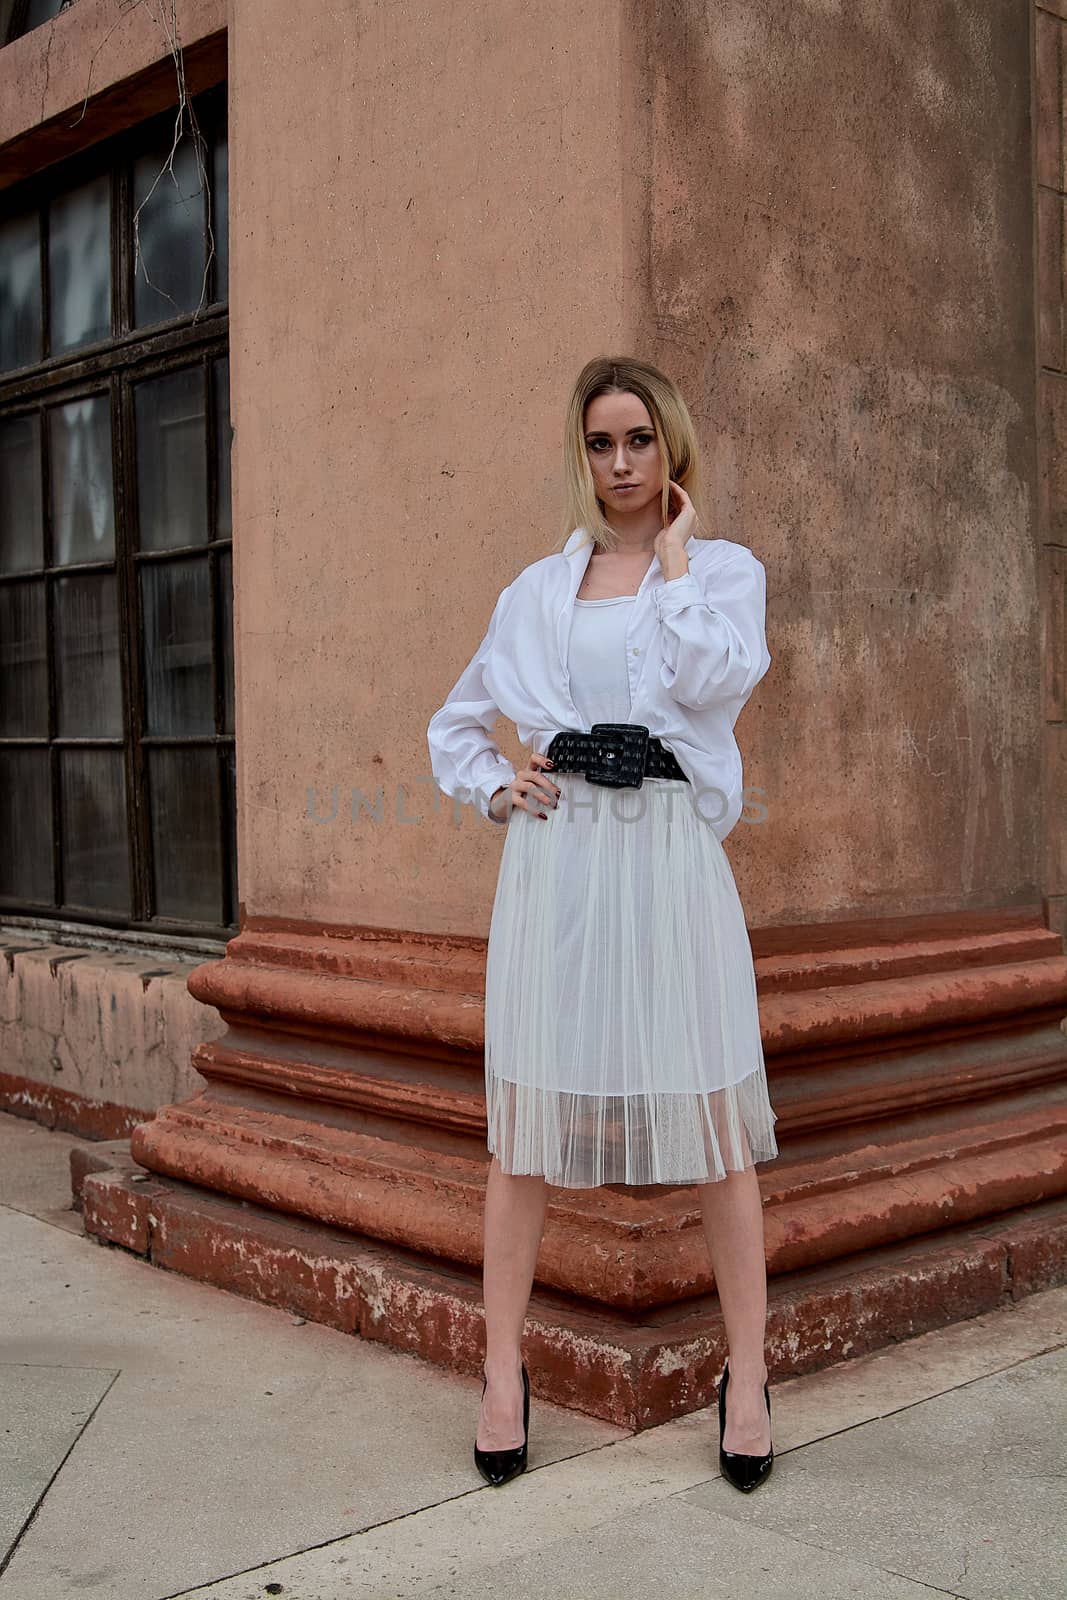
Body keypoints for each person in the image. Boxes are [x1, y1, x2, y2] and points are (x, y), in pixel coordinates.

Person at [426, 355, 777, 1494]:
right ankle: (498, 1373)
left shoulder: (720, 573)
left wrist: (673, 562)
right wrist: (495, 786)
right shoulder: (534, 592)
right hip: (561, 863)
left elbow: (714, 680)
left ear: (668, 445)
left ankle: (750, 1373)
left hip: (668, 857)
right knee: (524, 1123)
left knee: (717, 1120)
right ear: (578, 454)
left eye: (637, 440)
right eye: (598, 444)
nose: (619, 463)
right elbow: (460, 721)